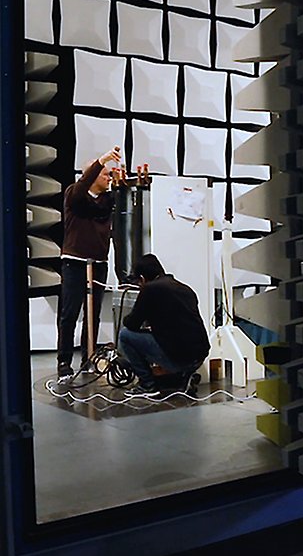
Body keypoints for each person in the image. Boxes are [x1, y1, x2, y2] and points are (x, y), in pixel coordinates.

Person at [56, 146, 122, 378]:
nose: (108, 178)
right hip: (74, 263)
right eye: (105, 174)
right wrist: (101, 159)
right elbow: (79, 190)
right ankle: (64, 361)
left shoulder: (106, 201)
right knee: (69, 314)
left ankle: (89, 357)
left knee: (92, 316)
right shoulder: (73, 195)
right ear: (92, 176)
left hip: (98, 264)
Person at [118, 254, 211, 396]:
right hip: (199, 356)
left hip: (179, 358)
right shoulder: (185, 288)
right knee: (170, 342)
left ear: (142, 278)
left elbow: (132, 324)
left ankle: (147, 385)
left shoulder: (149, 289)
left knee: (125, 335)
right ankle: (184, 376)